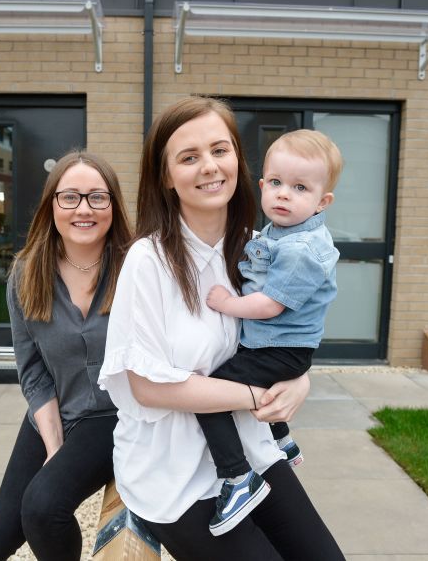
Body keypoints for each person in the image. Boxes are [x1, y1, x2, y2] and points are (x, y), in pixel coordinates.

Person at [98, 97, 344, 560]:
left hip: (248, 450)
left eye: (219, 150)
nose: (209, 166)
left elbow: (288, 332)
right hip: (173, 469)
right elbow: (147, 387)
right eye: (189, 157)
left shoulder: (261, 250)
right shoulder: (148, 261)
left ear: (238, 159)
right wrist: (258, 397)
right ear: (166, 177)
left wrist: (299, 379)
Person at [0, 150, 132, 561]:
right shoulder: (27, 272)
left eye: (96, 197)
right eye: (70, 197)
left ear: (113, 205)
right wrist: (54, 444)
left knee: (43, 507)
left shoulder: (136, 267)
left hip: (114, 415)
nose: (83, 209)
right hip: (55, 411)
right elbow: (31, 369)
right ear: (52, 206)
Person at [198, 129, 342, 535]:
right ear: (262, 185)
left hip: (281, 347)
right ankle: (282, 440)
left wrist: (226, 303)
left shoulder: (301, 250)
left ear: (322, 202)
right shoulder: (282, 233)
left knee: (210, 396)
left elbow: (269, 305)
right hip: (280, 347)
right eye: (276, 183)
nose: (283, 195)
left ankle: (237, 477)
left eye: (299, 188)